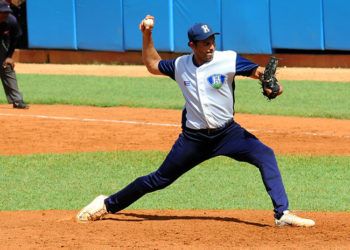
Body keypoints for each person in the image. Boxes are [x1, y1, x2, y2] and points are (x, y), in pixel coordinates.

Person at [77, 15, 315, 227]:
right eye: (205, 42)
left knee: (265, 155)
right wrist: (147, 34)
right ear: (192, 45)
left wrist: (271, 82)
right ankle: (107, 204)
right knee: (159, 179)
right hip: (194, 139)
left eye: (212, 40)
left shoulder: (227, 59)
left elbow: (258, 71)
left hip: (228, 134)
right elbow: (152, 65)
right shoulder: (180, 65)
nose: (211, 46)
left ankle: (282, 213)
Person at [0, 0, 28, 109]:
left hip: (3, 41)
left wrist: (9, 57)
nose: (6, 14)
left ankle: (17, 100)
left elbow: (15, 38)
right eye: (3, 12)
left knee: (7, 67)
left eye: (7, 12)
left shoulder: (11, 20)